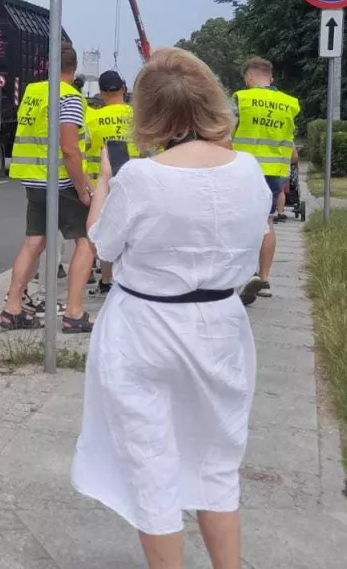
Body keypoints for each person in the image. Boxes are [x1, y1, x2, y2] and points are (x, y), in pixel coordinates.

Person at [72, 47, 271, 569]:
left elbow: (104, 245)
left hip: (145, 328)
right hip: (222, 326)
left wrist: (106, 184)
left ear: (150, 112)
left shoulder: (142, 178)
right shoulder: (249, 171)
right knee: (217, 462)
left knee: (151, 465)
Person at [0, 45, 94, 333]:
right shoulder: (70, 97)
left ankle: (12, 308)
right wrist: (83, 190)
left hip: (33, 179)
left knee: (35, 241)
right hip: (61, 181)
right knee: (87, 241)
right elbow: (69, 148)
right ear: (73, 69)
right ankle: (74, 313)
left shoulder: (32, 92)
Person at [232, 57, 300, 305]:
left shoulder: (241, 98)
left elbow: (225, 130)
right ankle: (265, 279)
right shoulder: (290, 103)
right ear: (270, 78)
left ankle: (242, 274)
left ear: (248, 78)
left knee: (239, 221)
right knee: (268, 221)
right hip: (274, 172)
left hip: (243, 170)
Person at [82, 70, 137, 294]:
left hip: (101, 186)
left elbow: (81, 153)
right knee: (134, 232)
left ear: (101, 93)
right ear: (123, 89)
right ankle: (130, 278)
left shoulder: (91, 118)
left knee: (105, 232)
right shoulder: (139, 117)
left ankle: (106, 279)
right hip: (135, 184)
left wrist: (86, 185)